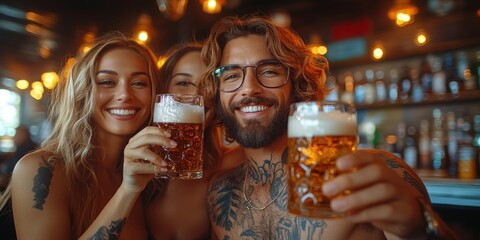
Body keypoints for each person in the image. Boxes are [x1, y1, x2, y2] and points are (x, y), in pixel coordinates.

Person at [200, 15, 457, 239]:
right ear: (218, 93)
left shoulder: (372, 178)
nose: (248, 88)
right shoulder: (219, 193)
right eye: (232, 75)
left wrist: (419, 230)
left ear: (298, 87)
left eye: (269, 71)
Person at [0, 32, 172, 239]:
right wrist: (128, 191)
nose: (125, 94)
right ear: (83, 92)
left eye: (139, 83)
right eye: (107, 82)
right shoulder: (41, 169)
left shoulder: (150, 176)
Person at [145, 42, 244, 239]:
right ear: (161, 90)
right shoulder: (131, 165)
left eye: (208, 84)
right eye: (183, 83)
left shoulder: (229, 163)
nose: (195, 95)